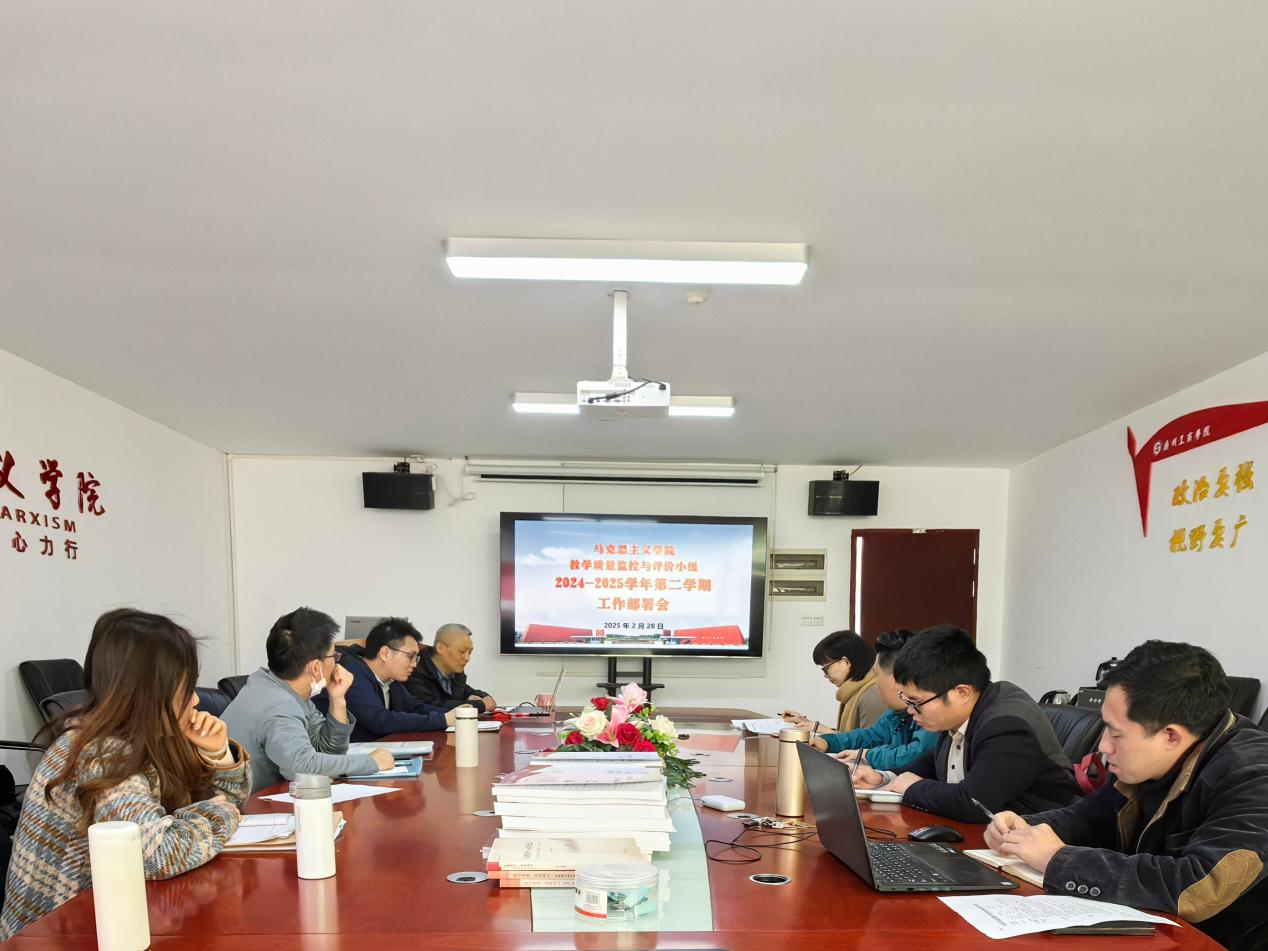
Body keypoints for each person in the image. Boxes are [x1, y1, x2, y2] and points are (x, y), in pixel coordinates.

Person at [985, 640, 1268, 950]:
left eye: (1115, 732)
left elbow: (1199, 887)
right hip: (1153, 931)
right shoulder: (1148, 762)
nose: (1104, 746)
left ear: (1171, 736)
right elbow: (1090, 816)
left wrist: (1058, 859)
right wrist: (1025, 829)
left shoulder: (1253, 775)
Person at [0, 609, 251, 939]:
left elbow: (220, 805)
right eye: (185, 687)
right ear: (148, 692)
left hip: (112, 921)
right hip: (53, 935)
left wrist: (217, 754)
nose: (195, 699)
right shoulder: (100, 751)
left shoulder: (152, 737)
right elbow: (155, 854)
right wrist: (223, 813)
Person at [853, 624, 1077, 822]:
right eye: (907, 701)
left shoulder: (1006, 725)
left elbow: (973, 804)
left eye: (917, 702)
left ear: (961, 693)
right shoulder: (960, 713)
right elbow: (932, 762)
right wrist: (884, 777)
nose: (911, 711)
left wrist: (913, 787)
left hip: (1036, 841)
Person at [222, 607, 391, 794]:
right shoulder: (278, 704)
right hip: (244, 807)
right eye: (334, 656)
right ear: (316, 667)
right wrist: (370, 763)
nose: (337, 663)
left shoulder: (277, 686)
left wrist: (337, 700)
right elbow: (302, 767)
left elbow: (326, 753)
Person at [807, 629, 938, 771]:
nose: (876, 683)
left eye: (877, 675)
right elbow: (870, 736)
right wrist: (829, 742)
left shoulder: (930, 713)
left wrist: (868, 755)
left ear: (896, 679)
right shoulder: (895, 714)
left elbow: (915, 756)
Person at [334, 618, 457, 742]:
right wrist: (443, 720)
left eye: (416, 658)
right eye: (411, 656)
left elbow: (414, 708)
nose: (414, 664)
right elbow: (381, 721)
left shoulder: (391, 679)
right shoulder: (351, 672)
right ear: (385, 653)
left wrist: (455, 714)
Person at [782, 629, 886, 734]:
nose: (825, 675)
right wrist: (808, 724)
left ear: (846, 662)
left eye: (826, 669)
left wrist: (824, 730)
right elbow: (850, 736)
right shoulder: (855, 692)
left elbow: (871, 743)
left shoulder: (872, 694)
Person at [404, 623, 496, 712]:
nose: (467, 658)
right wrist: (479, 705)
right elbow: (428, 708)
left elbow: (468, 692)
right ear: (440, 647)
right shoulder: (413, 670)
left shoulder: (453, 674)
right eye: (462, 651)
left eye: (469, 652)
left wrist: (483, 698)